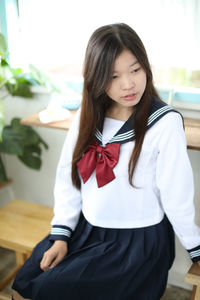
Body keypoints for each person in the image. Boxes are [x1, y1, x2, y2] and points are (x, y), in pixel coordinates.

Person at [12, 23, 200, 300]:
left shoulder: (165, 123)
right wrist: (61, 235)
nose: (128, 84)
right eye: (113, 76)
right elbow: (68, 179)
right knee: (25, 286)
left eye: (135, 70)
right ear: (97, 78)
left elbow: (177, 195)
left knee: (47, 292)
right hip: (85, 230)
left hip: (137, 243)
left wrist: (196, 249)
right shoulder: (87, 116)